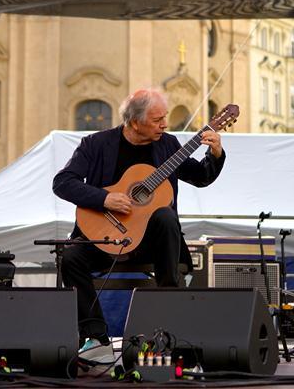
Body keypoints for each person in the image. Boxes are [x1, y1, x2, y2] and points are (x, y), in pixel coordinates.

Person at [52, 88, 226, 361]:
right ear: (134, 122)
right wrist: (104, 198)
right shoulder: (95, 144)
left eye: (165, 118)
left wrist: (214, 154)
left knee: (166, 216)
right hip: (104, 237)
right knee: (71, 257)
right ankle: (95, 338)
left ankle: (169, 320)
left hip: (152, 244)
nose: (164, 125)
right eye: (157, 120)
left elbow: (201, 177)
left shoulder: (168, 145)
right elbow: (62, 183)